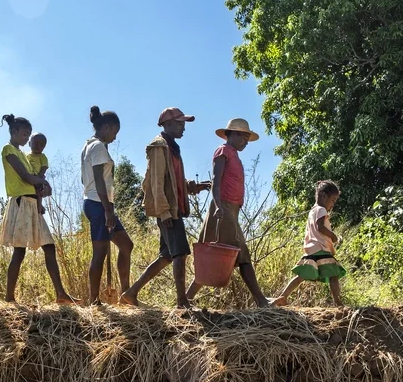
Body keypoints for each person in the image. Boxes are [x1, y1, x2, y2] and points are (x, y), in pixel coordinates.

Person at [121, 107, 209, 308]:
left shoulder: (172, 147)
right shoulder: (159, 146)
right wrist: (164, 211)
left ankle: (131, 293)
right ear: (167, 124)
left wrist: (192, 187)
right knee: (180, 253)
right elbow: (156, 182)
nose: (183, 128)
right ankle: (182, 302)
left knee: (167, 255)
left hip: (172, 208)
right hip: (169, 210)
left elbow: (173, 181)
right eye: (180, 124)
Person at [186, 118, 268, 307]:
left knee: (210, 258)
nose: (246, 142)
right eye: (244, 138)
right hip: (223, 208)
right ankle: (261, 301)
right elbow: (216, 180)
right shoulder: (223, 151)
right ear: (234, 134)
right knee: (243, 255)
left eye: (247, 139)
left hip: (231, 210)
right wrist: (218, 206)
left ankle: (186, 299)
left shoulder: (234, 155)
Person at [0, 114, 76, 304]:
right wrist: (42, 183)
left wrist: (43, 186)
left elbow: (36, 180)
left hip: (32, 204)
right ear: (14, 131)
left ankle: (60, 294)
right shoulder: (9, 150)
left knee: (49, 246)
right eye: (25, 134)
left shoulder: (23, 155)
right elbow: (26, 177)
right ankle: (9, 298)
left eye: (28, 135)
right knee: (19, 251)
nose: (27, 138)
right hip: (22, 203)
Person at [81, 105, 133, 305]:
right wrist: (108, 210)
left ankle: (126, 295)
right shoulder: (98, 147)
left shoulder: (88, 146)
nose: (115, 137)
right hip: (98, 205)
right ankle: (94, 301)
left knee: (126, 245)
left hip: (97, 202)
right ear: (106, 127)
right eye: (114, 132)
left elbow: (84, 179)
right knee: (100, 253)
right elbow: (98, 180)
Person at [271, 180, 347, 307]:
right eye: (333, 200)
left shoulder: (312, 211)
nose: (333, 204)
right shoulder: (322, 210)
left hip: (311, 250)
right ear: (324, 196)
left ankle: (283, 297)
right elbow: (320, 227)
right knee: (334, 274)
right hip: (321, 248)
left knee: (301, 276)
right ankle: (338, 303)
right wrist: (333, 236)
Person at [27, 132, 50, 215]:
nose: (38, 146)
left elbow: (44, 167)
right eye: (36, 143)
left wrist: (39, 177)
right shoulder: (25, 155)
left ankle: (39, 211)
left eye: (42, 145)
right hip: (28, 177)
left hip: (38, 178)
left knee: (38, 194)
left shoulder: (42, 156)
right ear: (29, 143)